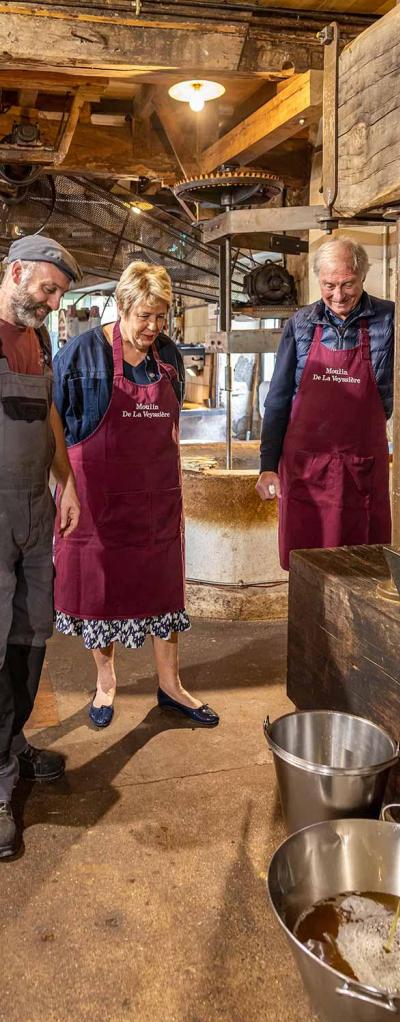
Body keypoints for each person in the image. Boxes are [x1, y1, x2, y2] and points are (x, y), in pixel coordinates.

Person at [53, 261, 218, 730]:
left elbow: (171, 424)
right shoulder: (80, 355)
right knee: (98, 595)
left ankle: (170, 685)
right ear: (122, 306)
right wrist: (63, 486)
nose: (153, 327)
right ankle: (106, 681)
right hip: (96, 502)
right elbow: (57, 428)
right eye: (144, 315)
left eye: (161, 316)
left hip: (155, 498)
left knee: (163, 589)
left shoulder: (167, 354)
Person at [255, 237, 400, 569]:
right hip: (305, 470)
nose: (338, 296)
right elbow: (277, 399)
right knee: (308, 564)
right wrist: (267, 465)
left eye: (347, 284)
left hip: (360, 469)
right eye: (329, 286)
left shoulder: (392, 318)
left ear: (363, 276)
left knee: (363, 562)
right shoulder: (302, 324)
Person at [0, 234, 82, 859]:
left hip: (32, 508)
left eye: (59, 294)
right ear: (17, 270)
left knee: (31, 634)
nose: (53, 303)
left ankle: (12, 741)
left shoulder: (39, 339)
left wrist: (67, 483)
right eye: (47, 289)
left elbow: (49, 412)